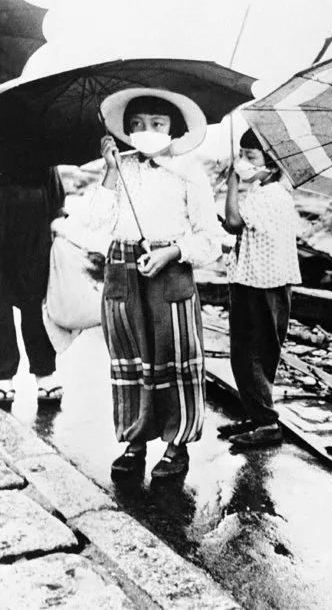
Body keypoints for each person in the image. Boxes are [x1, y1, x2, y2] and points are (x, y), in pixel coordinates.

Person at [79, 88, 218, 479]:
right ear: (124, 132)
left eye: (157, 124)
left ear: (173, 130)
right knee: (131, 361)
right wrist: (109, 169)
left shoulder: (190, 172)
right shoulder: (118, 167)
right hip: (123, 274)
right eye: (137, 125)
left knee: (175, 360)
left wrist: (171, 252)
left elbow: (210, 239)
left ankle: (177, 445)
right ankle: (134, 441)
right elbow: (93, 222)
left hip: (169, 273)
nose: (147, 131)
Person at [218, 128, 301, 448]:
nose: (242, 163)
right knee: (247, 353)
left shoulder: (272, 195)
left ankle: (266, 422)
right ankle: (256, 414)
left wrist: (232, 185)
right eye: (241, 156)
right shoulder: (264, 192)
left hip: (263, 285)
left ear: (272, 162)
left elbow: (233, 223)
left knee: (254, 354)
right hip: (253, 280)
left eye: (250, 157)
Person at [0, 165, 66, 407]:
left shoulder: (35, 129)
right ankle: (2, 374)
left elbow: (50, 173)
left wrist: (57, 212)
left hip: (33, 214)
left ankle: (45, 372)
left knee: (36, 296)